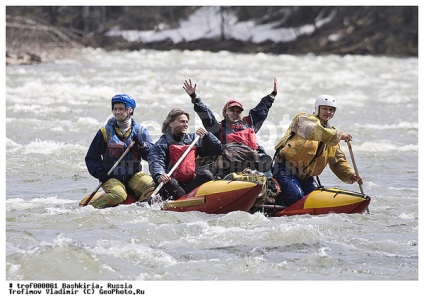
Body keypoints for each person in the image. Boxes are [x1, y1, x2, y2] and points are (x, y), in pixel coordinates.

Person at [273, 95, 363, 207]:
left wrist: (351, 175)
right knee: (297, 198)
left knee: (314, 199)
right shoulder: (302, 120)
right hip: (285, 168)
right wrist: (339, 135)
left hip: (306, 176)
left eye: (331, 110)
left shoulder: (332, 135)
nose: (328, 112)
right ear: (317, 109)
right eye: (325, 108)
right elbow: (314, 131)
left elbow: (338, 161)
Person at [183, 78, 277, 175]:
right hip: (229, 164)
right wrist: (194, 97)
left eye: (238, 111)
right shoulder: (219, 127)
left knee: (265, 162)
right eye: (232, 110)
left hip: (252, 161)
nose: (235, 113)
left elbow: (261, 111)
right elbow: (206, 114)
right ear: (225, 112)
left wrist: (272, 95)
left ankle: (267, 180)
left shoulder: (249, 124)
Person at [85, 94, 155, 208]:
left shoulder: (140, 130)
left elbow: (151, 156)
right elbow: (92, 158)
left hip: (134, 175)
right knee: (118, 195)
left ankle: (139, 208)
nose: (117, 112)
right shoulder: (104, 132)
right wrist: (99, 173)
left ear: (130, 110)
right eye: (115, 109)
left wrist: (142, 145)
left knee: (153, 187)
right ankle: (92, 208)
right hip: (111, 177)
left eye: (121, 109)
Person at [148, 108, 222, 200]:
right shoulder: (162, 143)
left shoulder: (193, 139)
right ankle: (184, 199)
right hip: (171, 184)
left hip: (189, 183)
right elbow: (156, 162)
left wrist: (207, 136)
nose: (186, 124)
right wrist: (159, 175)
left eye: (187, 122)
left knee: (207, 174)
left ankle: (184, 197)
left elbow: (217, 149)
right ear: (171, 123)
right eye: (182, 121)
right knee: (171, 182)